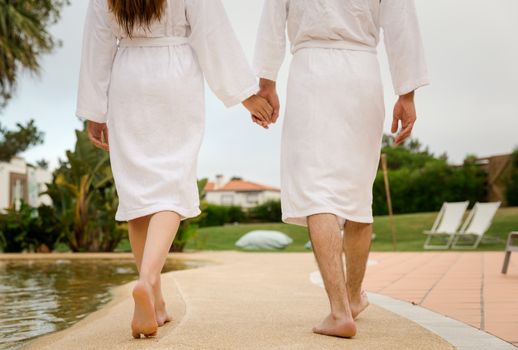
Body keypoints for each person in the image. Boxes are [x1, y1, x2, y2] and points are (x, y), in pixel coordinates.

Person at [76, 0, 273, 339]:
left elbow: (97, 41)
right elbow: (213, 33)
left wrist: (95, 110)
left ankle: (156, 301)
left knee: (137, 190)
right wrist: (246, 96)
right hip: (174, 75)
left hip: (127, 78)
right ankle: (150, 280)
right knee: (172, 183)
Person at [253, 0, 430, 338]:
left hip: (310, 74)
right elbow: (401, 24)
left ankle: (339, 311)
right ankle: (352, 298)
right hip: (363, 72)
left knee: (315, 192)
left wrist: (266, 83)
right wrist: (406, 95)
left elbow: (272, 21)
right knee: (357, 194)